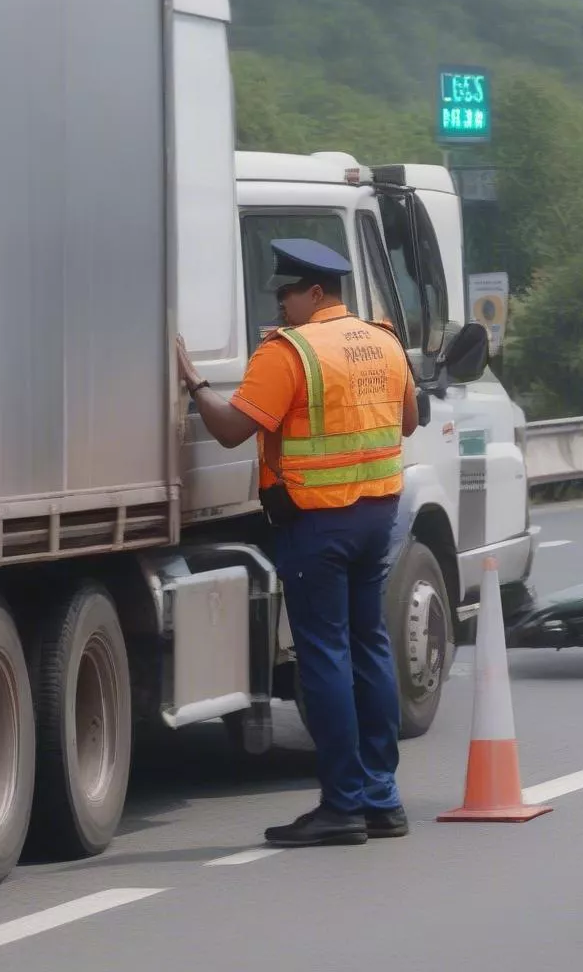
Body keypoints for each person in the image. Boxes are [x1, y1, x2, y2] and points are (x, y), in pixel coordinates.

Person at [176, 237, 420, 847]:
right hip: (377, 512)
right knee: (370, 646)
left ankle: (341, 805)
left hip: (318, 522)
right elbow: (407, 420)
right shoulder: (383, 340)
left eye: (286, 293)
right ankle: (381, 799)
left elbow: (233, 429)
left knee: (325, 657)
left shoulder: (290, 352)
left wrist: (194, 383)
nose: (281, 304)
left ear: (315, 292)